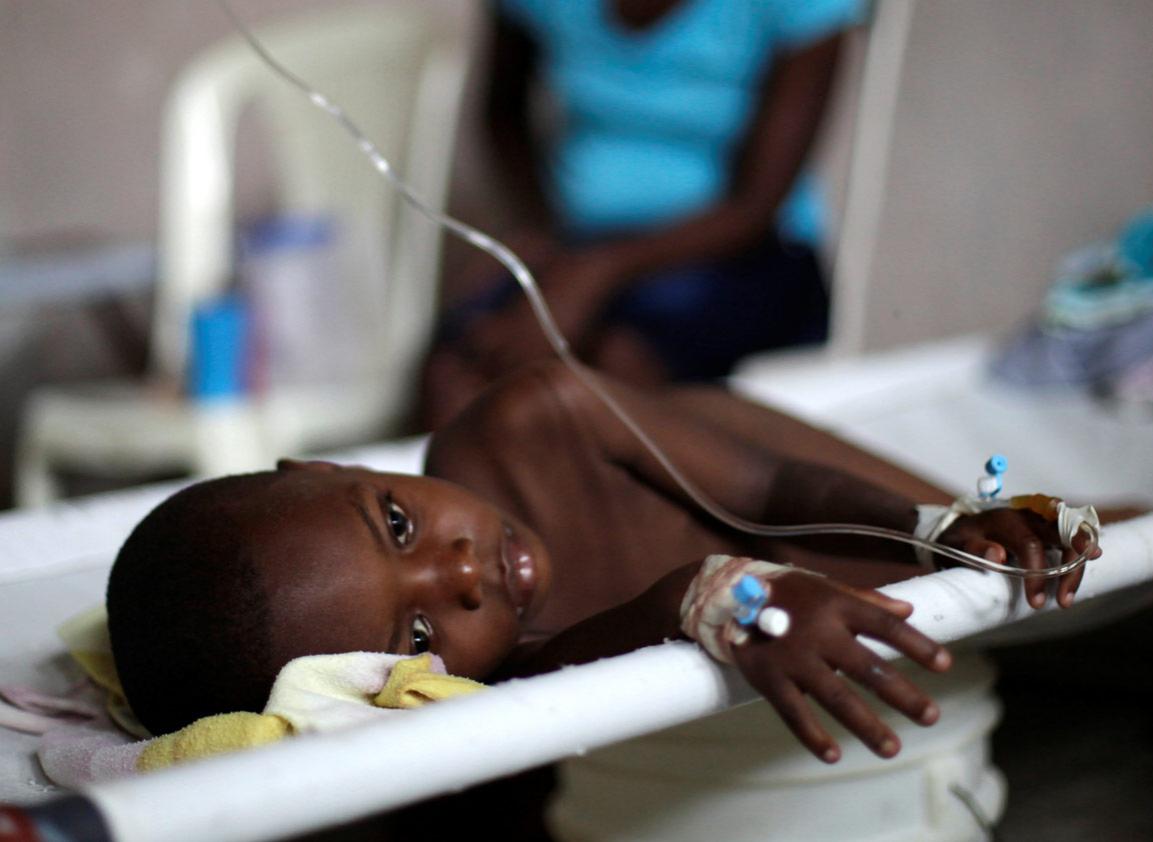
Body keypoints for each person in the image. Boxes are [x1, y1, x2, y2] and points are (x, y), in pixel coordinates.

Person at [108, 360, 1092, 765]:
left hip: (792, 489)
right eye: (414, 632)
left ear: (333, 464)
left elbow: (762, 486)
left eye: (399, 523)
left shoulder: (530, 418)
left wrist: (931, 520)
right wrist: (715, 597)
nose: (459, 574)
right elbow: (670, 604)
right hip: (786, 578)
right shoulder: (495, 683)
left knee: (1063, 537)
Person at [416, 0, 864, 429]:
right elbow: (502, 111)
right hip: (581, 241)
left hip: (743, 252)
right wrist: (541, 232)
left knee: (616, 367)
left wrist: (594, 273)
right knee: (463, 363)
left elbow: (755, 206)